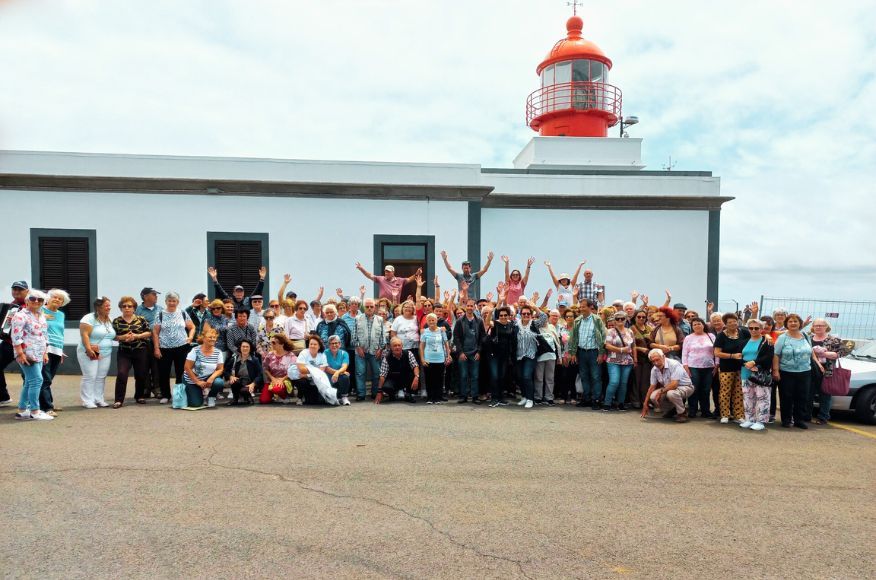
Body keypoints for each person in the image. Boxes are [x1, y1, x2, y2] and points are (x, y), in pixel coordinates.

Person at [11, 289, 52, 420]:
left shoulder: (41, 316)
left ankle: (23, 410)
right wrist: (20, 354)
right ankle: (35, 411)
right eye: (33, 298)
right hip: (26, 354)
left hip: (39, 353)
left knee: (29, 382)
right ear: (27, 300)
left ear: (43, 303)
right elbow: (16, 336)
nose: (36, 301)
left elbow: (44, 335)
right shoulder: (20, 315)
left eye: (40, 300)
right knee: (37, 380)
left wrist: (45, 352)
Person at [772, 314, 815, 429]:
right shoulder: (783, 338)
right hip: (786, 372)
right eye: (790, 321)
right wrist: (775, 371)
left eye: (795, 321)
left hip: (805, 371)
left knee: (802, 396)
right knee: (787, 396)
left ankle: (799, 420)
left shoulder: (806, 336)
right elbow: (776, 354)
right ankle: (786, 420)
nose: (793, 323)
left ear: (800, 323)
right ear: (786, 324)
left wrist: (817, 364)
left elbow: (811, 352)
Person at [152, 292, 195, 404]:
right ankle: (166, 395)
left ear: (177, 302)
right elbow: (155, 332)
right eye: (169, 300)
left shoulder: (182, 313)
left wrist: (190, 337)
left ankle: (178, 395)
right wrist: (156, 348)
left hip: (181, 347)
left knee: (180, 372)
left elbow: (192, 327)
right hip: (164, 348)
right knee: (164, 372)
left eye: (174, 301)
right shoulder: (160, 314)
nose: (172, 303)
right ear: (166, 302)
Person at [112, 295, 151, 406]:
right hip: (124, 352)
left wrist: (137, 336)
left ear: (134, 308)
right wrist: (122, 337)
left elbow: (149, 332)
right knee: (122, 373)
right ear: (120, 308)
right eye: (124, 306)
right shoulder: (117, 321)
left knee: (141, 374)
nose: (127, 308)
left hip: (140, 350)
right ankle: (118, 400)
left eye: (130, 306)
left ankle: (139, 396)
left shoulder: (141, 319)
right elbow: (113, 336)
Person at [78, 296, 116, 408]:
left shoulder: (109, 319)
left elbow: (111, 335)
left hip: (105, 352)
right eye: (106, 305)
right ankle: (87, 400)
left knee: (101, 376)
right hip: (91, 351)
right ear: (98, 307)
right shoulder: (88, 318)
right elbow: (84, 334)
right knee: (90, 375)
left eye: (109, 305)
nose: (109, 307)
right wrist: (89, 349)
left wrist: (125, 337)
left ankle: (98, 399)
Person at [808, 318, 848, 425]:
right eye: (816, 325)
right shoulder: (808, 338)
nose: (818, 327)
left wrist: (824, 354)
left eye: (821, 325)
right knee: (808, 394)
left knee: (825, 394)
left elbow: (843, 352)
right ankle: (806, 415)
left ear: (826, 327)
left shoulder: (834, 340)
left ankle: (823, 417)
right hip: (808, 370)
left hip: (826, 370)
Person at [569, 299, 607, 410]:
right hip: (581, 352)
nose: (581, 308)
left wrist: (601, 354)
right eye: (580, 306)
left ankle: (596, 400)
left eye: (583, 306)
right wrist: (573, 353)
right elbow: (573, 337)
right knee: (584, 376)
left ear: (590, 307)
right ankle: (586, 399)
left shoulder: (597, 320)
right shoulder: (577, 320)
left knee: (596, 377)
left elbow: (603, 337)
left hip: (594, 352)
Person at [713, 313, 750, 424]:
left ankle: (739, 415)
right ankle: (725, 414)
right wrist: (732, 356)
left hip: (741, 367)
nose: (733, 323)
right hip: (726, 368)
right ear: (725, 324)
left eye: (735, 321)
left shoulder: (744, 332)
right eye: (730, 322)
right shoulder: (721, 336)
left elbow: (756, 337)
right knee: (725, 391)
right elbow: (717, 353)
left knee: (739, 391)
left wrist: (766, 336)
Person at [739, 318, 774, 431]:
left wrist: (755, 362)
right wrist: (746, 364)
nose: (753, 330)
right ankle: (749, 419)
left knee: (762, 398)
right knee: (748, 398)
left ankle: (761, 421)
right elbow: (739, 356)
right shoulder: (745, 341)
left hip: (760, 375)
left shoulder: (766, 341)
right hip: (745, 373)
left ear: (761, 329)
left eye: (756, 328)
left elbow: (768, 357)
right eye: (751, 328)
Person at [642, 349, 694, 422]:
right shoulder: (654, 369)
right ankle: (673, 410)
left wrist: (660, 392)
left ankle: (682, 413)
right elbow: (652, 387)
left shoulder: (674, 364)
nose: (656, 363)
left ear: (663, 356)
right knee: (653, 397)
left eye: (657, 360)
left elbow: (674, 384)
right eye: (653, 361)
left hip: (685, 387)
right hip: (669, 388)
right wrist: (645, 404)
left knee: (671, 394)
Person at [39, 289, 69, 416]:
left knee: (49, 379)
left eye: (60, 299)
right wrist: (40, 317)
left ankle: (48, 403)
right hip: (44, 348)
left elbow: (60, 333)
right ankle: (46, 408)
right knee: (45, 378)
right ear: (48, 298)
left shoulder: (61, 314)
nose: (57, 300)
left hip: (56, 349)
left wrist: (60, 350)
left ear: (62, 302)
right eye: (54, 297)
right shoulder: (40, 311)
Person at [514, 300, 548, 409]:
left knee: (527, 376)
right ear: (520, 314)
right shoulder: (516, 325)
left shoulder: (534, 324)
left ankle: (530, 399)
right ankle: (524, 396)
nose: (526, 315)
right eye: (524, 314)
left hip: (531, 355)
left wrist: (535, 308)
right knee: (519, 377)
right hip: (519, 355)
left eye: (528, 313)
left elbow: (544, 318)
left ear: (531, 314)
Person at [681, 317, 716, 418]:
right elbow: (684, 353)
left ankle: (706, 411)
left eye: (699, 323)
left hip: (709, 366)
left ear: (703, 325)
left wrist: (717, 364)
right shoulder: (688, 338)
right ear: (692, 327)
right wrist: (685, 365)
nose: (697, 326)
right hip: (693, 366)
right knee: (694, 389)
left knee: (706, 389)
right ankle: (692, 410)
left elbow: (716, 351)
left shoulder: (711, 336)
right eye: (694, 324)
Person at [1, 280, 30, 406]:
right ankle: (3, 397)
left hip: (26, 345)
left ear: (27, 291)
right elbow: (6, 325)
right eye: (15, 289)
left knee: (28, 374)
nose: (17, 292)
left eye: (20, 290)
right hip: (9, 342)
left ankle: (30, 402)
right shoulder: (11, 305)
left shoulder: (32, 304)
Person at [182, 327, 225, 409]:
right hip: (192, 379)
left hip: (208, 379)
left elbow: (220, 369)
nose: (212, 339)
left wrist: (212, 378)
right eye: (210, 337)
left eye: (214, 337)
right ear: (203, 339)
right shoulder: (195, 350)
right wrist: (198, 382)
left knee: (219, 383)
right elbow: (187, 368)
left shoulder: (218, 352)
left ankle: (211, 396)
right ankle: (197, 393)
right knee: (195, 404)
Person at [453, 298, 485, 404]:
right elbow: (456, 338)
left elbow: (482, 338)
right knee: (463, 375)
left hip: (475, 353)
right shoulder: (459, 321)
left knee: (475, 376)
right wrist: (460, 352)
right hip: (463, 353)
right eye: (468, 306)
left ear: (474, 307)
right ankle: (464, 396)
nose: (470, 308)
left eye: (472, 306)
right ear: (465, 306)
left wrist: (479, 352)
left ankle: (475, 396)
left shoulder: (479, 321)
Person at [353, 298, 386, 401]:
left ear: (374, 307)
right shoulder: (358, 318)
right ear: (364, 307)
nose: (369, 308)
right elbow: (354, 336)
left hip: (375, 351)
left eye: (371, 306)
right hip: (360, 351)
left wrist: (380, 349)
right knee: (360, 372)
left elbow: (383, 337)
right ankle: (361, 394)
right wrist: (358, 347)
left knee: (377, 372)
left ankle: (375, 393)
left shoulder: (380, 319)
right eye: (367, 306)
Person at [603, 312, 636, 411]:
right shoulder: (610, 331)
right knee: (614, 382)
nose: (620, 320)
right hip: (613, 360)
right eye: (617, 319)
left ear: (626, 319)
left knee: (623, 383)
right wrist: (621, 350)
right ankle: (607, 403)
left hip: (627, 361)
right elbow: (607, 346)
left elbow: (634, 346)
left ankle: (621, 403)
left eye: (622, 318)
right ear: (614, 320)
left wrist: (635, 358)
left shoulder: (630, 331)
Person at [135, 287, 163, 398]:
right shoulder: (138, 310)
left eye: (156, 294)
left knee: (156, 366)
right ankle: (146, 388)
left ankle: (157, 388)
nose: (156, 296)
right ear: (145, 296)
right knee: (144, 366)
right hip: (143, 342)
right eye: (154, 294)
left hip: (158, 342)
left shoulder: (160, 309)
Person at [376, 337, 420, 404]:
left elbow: (415, 366)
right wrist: (379, 392)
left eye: (399, 345)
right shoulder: (386, 358)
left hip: (406, 378)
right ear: (391, 347)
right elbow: (382, 375)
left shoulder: (409, 353)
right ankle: (392, 394)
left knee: (415, 376)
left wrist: (417, 377)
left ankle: (408, 394)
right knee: (386, 387)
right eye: (395, 345)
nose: (397, 347)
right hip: (393, 379)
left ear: (402, 346)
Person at [419, 313, 451, 404]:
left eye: (433, 320)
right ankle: (430, 398)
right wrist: (422, 358)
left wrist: (448, 355)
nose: (431, 322)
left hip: (440, 358)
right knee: (429, 379)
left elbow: (446, 343)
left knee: (439, 379)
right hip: (428, 359)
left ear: (436, 321)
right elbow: (421, 346)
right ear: (427, 322)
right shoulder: (424, 332)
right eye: (429, 320)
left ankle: (437, 398)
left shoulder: (442, 331)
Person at [534, 309, 561, 406]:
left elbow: (557, 343)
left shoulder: (552, 327)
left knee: (550, 378)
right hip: (540, 356)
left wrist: (559, 357)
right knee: (539, 378)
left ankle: (549, 398)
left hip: (552, 356)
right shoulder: (536, 328)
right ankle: (538, 397)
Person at [261, 334, 298, 404]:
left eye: (274, 342)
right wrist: (272, 378)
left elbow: (294, 371)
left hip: (285, 380)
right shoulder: (270, 354)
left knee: (277, 389)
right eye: (271, 342)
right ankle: (275, 395)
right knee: (264, 400)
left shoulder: (291, 355)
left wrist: (282, 379)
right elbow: (265, 368)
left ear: (282, 344)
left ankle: (285, 395)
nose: (271, 344)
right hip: (272, 380)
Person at [355, 262, 421, 301]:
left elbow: (409, 279)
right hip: (383, 306)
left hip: (395, 307)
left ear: (393, 272)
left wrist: (416, 274)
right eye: (386, 271)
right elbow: (369, 275)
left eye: (388, 272)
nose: (386, 273)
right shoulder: (381, 279)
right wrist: (361, 268)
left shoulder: (400, 280)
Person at [224, 338, 262, 405]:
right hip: (238, 381)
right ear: (240, 348)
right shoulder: (234, 359)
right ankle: (235, 399)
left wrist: (253, 384)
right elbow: (225, 371)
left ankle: (248, 397)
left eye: (247, 347)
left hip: (250, 382)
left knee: (244, 390)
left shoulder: (254, 360)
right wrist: (230, 377)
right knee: (234, 381)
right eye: (243, 346)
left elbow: (260, 374)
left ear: (250, 348)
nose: (245, 348)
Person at [630, 309, 653, 409]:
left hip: (648, 358)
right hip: (636, 357)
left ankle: (645, 400)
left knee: (646, 381)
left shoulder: (649, 328)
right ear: (634, 318)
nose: (641, 318)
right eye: (639, 317)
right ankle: (635, 401)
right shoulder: (631, 329)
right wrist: (640, 348)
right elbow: (629, 345)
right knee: (636, 380)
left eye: (643, 317)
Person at [555, 308, 578, 405]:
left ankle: (573, 397)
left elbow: (579, 343)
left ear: (574, 318)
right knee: (563, 377)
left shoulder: (578, 329)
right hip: (564, 356)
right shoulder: (561, 329)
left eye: (571, 316)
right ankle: (563, 397)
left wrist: (574, 354)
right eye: (567, 316)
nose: (569, 318)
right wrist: (562, 356)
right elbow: (559, 344)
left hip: (574, 356)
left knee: (572, 377)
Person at [325, 334, 352, 406]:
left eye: (336, 343)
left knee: (345, 377)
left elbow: (344, 367)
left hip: (338, 379)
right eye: (332, 343)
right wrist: (339, 372)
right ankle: (335, 397)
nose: (334, 345)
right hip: (327, 379)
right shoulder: (324, 353)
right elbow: (326, 368)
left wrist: (337, 373)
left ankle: (344, 397)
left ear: (340, 344)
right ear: (329, 345)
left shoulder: (344, 353)